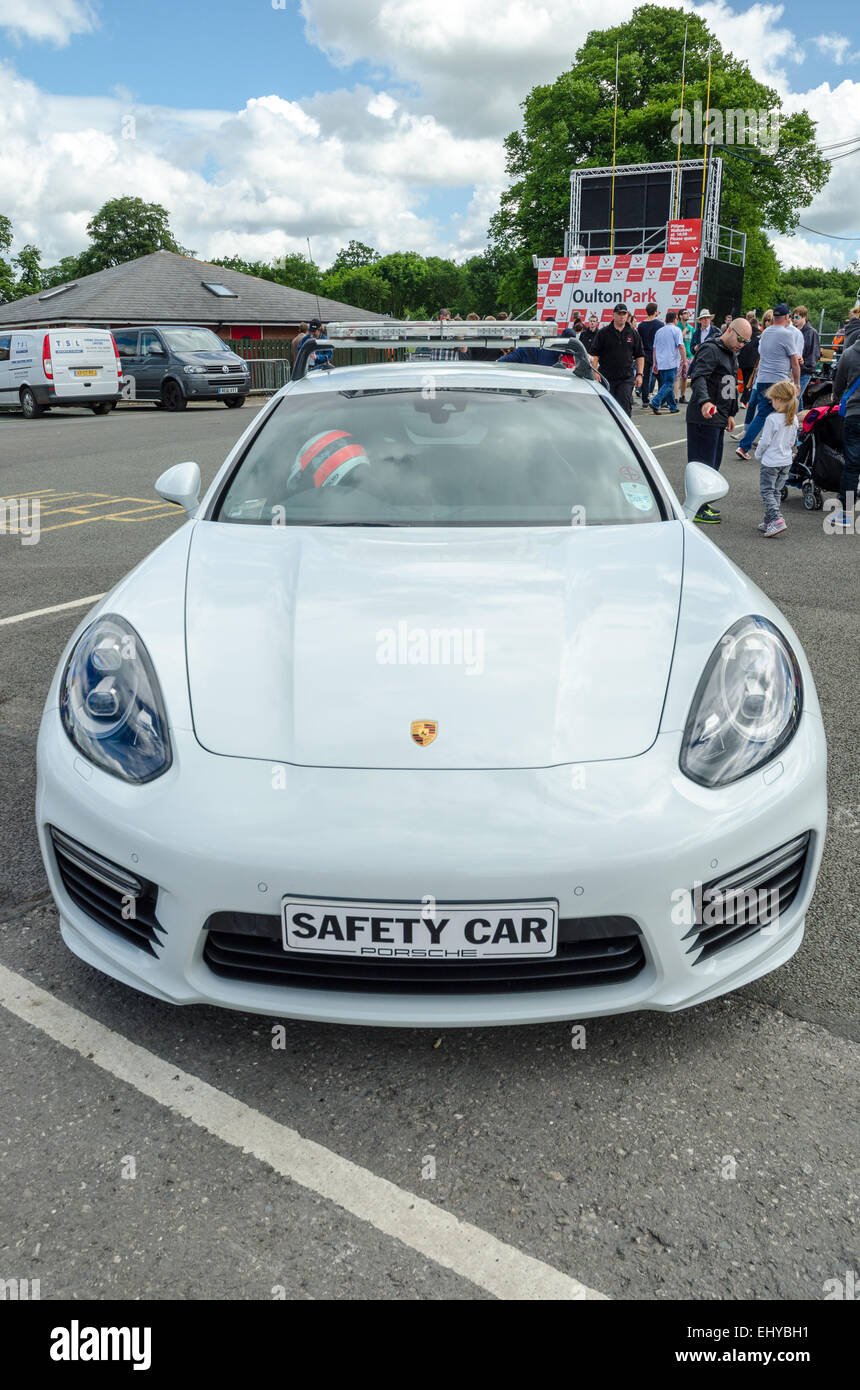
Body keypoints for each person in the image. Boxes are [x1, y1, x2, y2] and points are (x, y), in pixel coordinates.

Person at [686, 317, 752, 523]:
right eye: (740, 339)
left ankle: (703, 503)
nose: (742, 344)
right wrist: (704, 402)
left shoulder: (732, 354)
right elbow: (699, 377)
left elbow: (729, 386)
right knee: (701, 465)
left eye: (746, 342)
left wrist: (731, 413)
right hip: (703, 416)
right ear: (730, 330)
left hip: (719, 417)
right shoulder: (710, 349)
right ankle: (695, 508)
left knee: (712, 465)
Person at [736, 304, 801, 458]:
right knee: (787, 413)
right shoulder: (787, 334)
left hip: (763, 379)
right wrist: (797, 383)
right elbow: (794, 361)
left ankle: (745, 446)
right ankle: (782, 448)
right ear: (786, 317)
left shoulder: (765, 333)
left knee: (763, 414)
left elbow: (763, 354)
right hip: (779, 381)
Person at [755, 381, 799, 538]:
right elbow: (792, 441)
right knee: (776, 491)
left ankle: (776, 519)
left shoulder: (772, 419)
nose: (771, 402)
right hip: (786, 460)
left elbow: (765, 441)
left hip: (771, 462)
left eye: (772, 399)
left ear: (779, 400)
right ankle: (768, 521)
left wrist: (758, 454)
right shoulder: (794, 419)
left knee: (767, 491)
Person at [588, 302, 644, 414]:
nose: (622, 316)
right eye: (619, 314)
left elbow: (639, 355)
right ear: (613, 315)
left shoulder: (633, 333)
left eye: (624, 314)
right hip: (607, 377)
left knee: (624, 404)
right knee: (607, 408)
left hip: (626, 378)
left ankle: (625, 430)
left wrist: (639, 374)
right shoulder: (603, 333)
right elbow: (595, 354)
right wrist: (595, 372)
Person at [830, 334, 860, 529]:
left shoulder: (849, 354)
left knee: (851, 465)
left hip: (854, 414)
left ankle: (845, 513)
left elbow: (838, 386)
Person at [650, 310, 686, 414]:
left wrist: (655, 363)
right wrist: (685, 361)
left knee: (667, 384)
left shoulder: (659, 331)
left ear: (666, 320)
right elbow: (680, 346)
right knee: (669, 384)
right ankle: (656, 402)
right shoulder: (677, 330)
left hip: (661, 362)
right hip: (671, 361)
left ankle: (673, 407)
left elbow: (655, 348)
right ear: (676, 319)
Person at [636, 302, 663, 407]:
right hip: (656, 354)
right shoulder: (660, 325)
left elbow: (639, 340)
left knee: (645, 377)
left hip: (644, 353)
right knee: (660, 377)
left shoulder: (641, 325)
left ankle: (645, 400)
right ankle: (659, 400)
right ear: (655, 311)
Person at [792, 306, 820, 408]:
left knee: (794, 398)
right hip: (794, 369)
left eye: (797, 317)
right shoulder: (793, 331)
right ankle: (800, 421)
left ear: (804, 317)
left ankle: (793, 421)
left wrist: (806, 367)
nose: (794, 320)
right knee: (797, 399)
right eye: (793, 317)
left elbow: (814, 353)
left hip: (805, 370)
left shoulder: (812, 332)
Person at [676, 309, 694, 402]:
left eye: (688, 313)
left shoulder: (691, 328)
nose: (687, 315)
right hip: (678, 355)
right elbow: (677, 340)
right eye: (685, 313)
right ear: (680, 316)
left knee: (685, 377)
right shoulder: (677, 327)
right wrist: (684, 331)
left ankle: (682, 396)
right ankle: (674, 397)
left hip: (689, 355)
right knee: (677, 377)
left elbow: (693, 341)